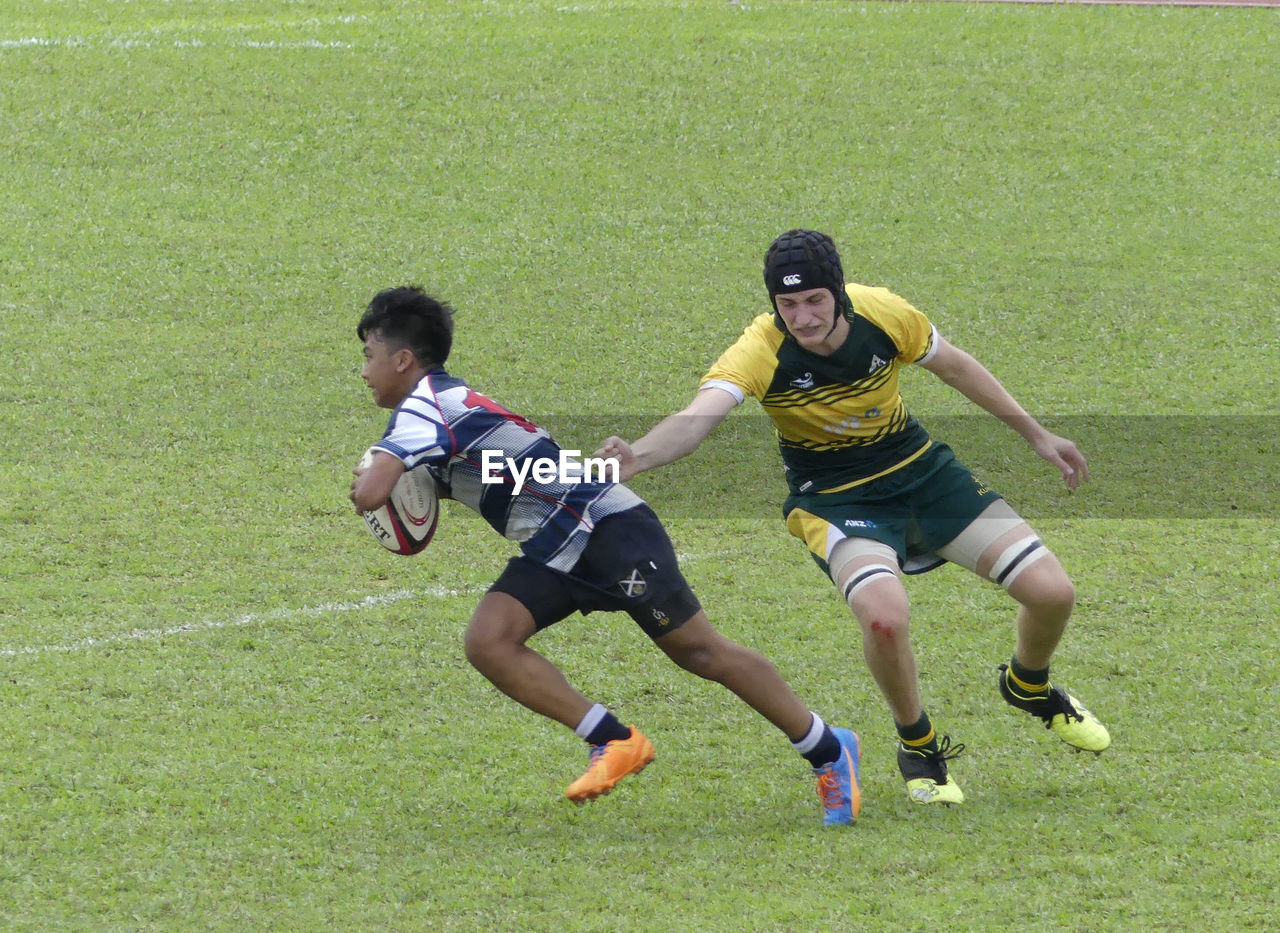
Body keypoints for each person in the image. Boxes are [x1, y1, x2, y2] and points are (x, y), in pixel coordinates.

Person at [598, 229, 1110, 807]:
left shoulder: (883, 313)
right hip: (834, 497)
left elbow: (958, 368)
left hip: (921, 471)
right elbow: (697, 420)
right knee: (883, 617)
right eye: (787, 305)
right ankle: (917, 742)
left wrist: (1037, 435)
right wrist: (637, 456)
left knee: (1053, 592)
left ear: (838, 291)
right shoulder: (761, 348)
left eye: (815, 300)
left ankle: (1028, 685)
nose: (804, 317)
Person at [348, 284, 863, 825]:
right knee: (489, 641)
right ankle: (613, 740)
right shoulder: (444, 405)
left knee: (700, 652)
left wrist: (368, 479)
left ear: (402, 359)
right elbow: (463, 490)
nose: (364, 371)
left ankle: (828, 748)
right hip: (558, 540)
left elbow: (371, 494)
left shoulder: (424, 410)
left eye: (369, 356)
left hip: (607, 528)